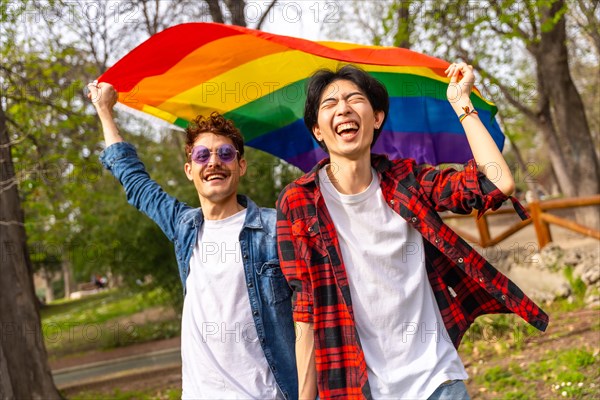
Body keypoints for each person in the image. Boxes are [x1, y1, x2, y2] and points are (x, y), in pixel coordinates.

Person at [275, 64, 549, 399]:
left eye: (354, 99)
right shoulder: (299, 201)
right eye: (329, 104)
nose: (343, 108)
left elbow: (498, 182)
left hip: (436, 381)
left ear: (376, 118)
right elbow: (305, 312)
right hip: (358, 388)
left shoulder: (407, 181)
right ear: (317, 130)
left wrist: (462, 103)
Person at [87, 82, 297, 400]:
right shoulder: (185, 227)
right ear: (189, 169)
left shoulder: (275, 226)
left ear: (240, 166)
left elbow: (315, 306)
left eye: (225, 153)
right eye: (202, 155)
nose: (213, 162)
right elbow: (132, 177)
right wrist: (104, 109)